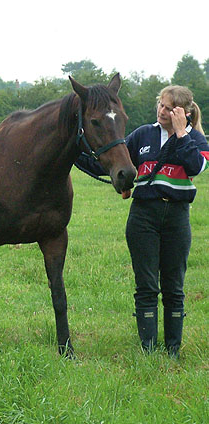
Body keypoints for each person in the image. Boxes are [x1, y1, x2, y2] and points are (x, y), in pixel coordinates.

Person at [77, 85, 208, 358]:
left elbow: (195, 166)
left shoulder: (196, 140)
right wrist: (73, 154)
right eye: (161, 104)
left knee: (174, 287)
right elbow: (110, 163)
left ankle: (173, 350)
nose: (162, 111)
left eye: (169, 107)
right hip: (143, 216)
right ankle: (148, 350)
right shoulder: (143, 135)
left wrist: (181, 132)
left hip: (177, 217)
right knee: (146, 285)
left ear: (182, 112)